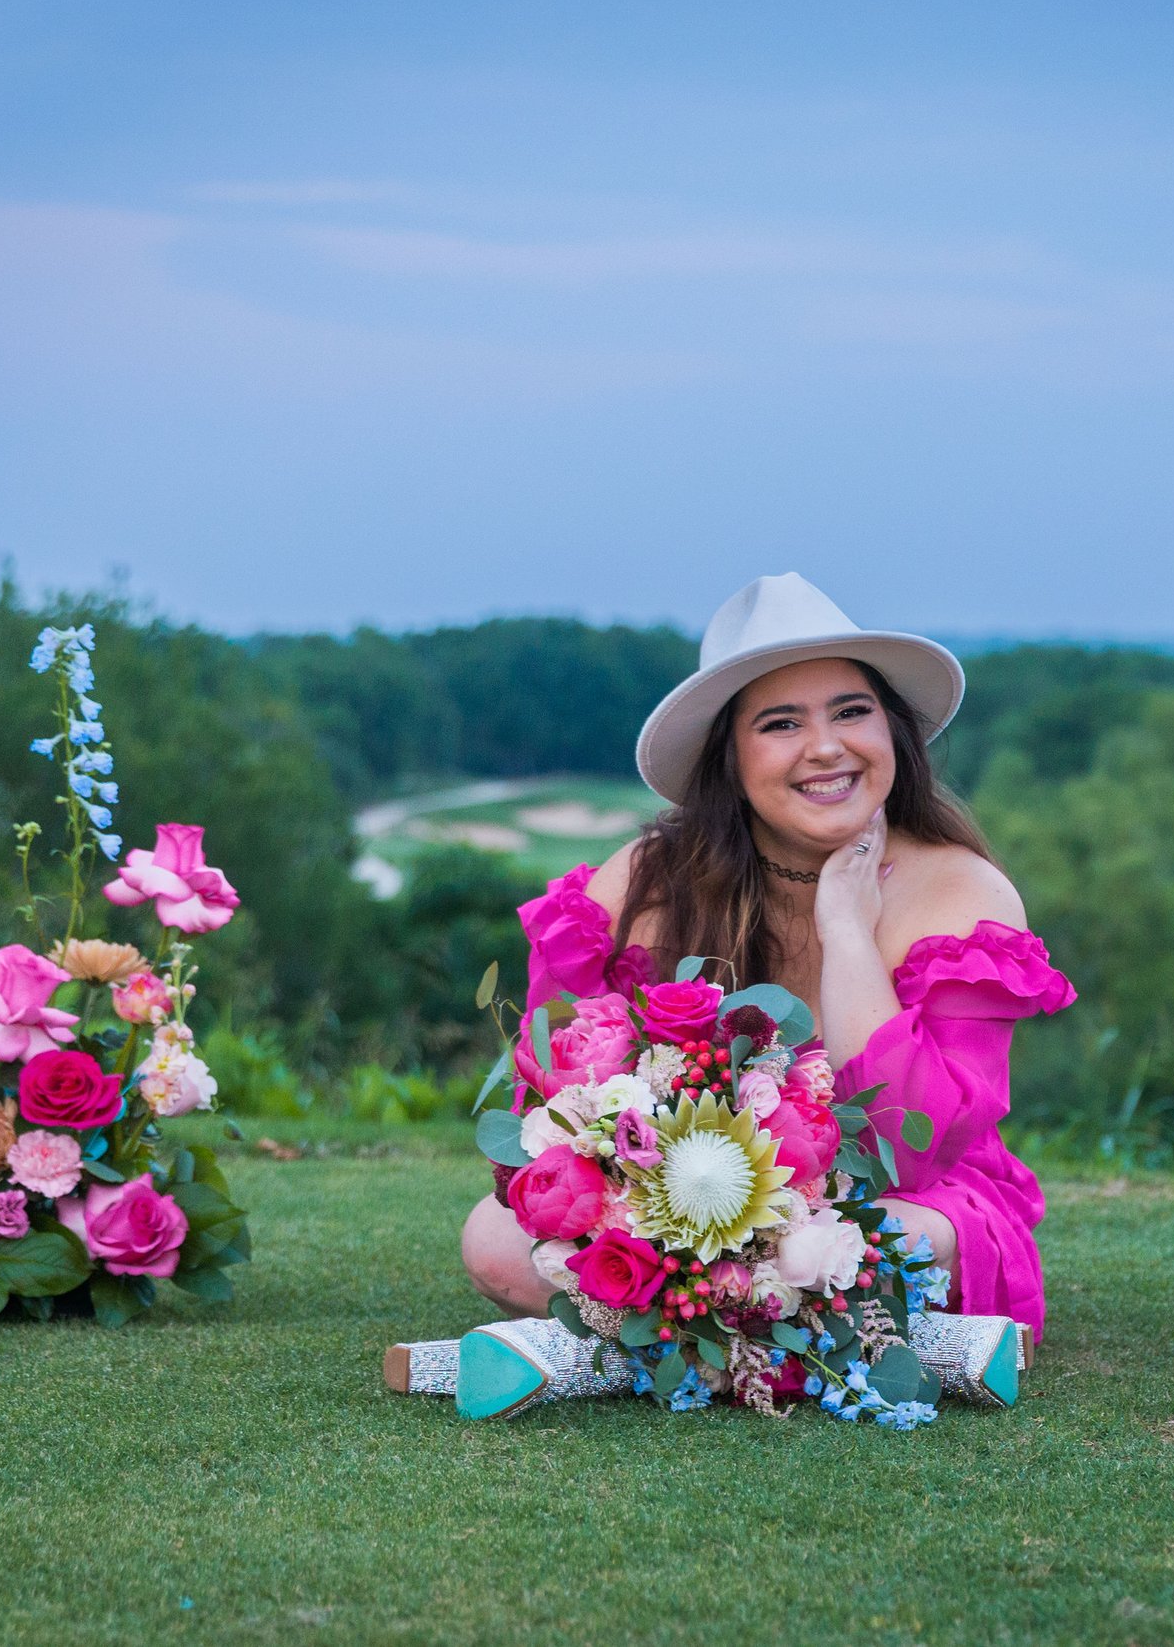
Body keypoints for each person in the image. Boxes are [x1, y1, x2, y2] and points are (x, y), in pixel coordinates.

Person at [459, 572, 1074, 1345]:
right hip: (684, 1212)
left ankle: (658, 1348)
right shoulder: (645, 880)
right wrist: (655, 1195)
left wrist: (848, 930)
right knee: (493, 1240)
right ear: (732, 760)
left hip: (904, 1204)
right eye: (781, 724)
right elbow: (554, 1114)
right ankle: (777, 1345)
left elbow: (908, 1152)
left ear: (891, 730)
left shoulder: (961, 891)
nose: (826, 747)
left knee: (880, 1247)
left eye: (852, 711)